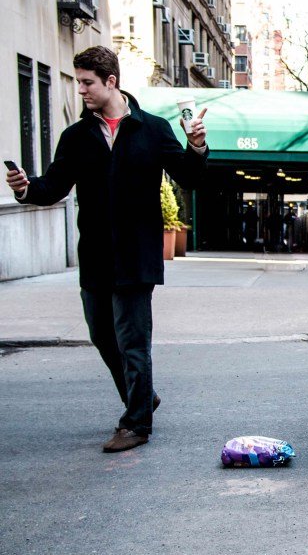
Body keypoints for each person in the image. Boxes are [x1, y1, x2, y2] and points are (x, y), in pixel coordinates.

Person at [5, 46, 209, 453]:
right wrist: (27, 188)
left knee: (133, 341)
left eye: (87, 82)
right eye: (78, 81)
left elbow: (190, 177)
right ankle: (142, 396)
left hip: (137, 255)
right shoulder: (76, 136)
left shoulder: (151, 129)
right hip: (95, 256)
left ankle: (136, 424)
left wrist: (197, 146)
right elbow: (55, 186)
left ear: (110, 81)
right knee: (102, 335)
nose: (80, 89)